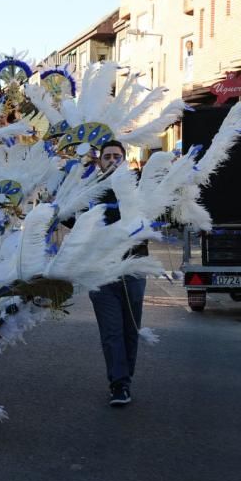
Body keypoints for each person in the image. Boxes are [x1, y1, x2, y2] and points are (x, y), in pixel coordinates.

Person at [88, 140, 147, 407]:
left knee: (130, 329)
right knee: (111, 332)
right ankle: (119, 384)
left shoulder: (139, 188)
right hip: (100, 272)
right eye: (107, 156)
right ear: (99, 161)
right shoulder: (90, 191)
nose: (112, 160)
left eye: (117, 156)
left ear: (125, 160)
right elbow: (74, 220)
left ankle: (125, 378)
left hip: (133, 268)